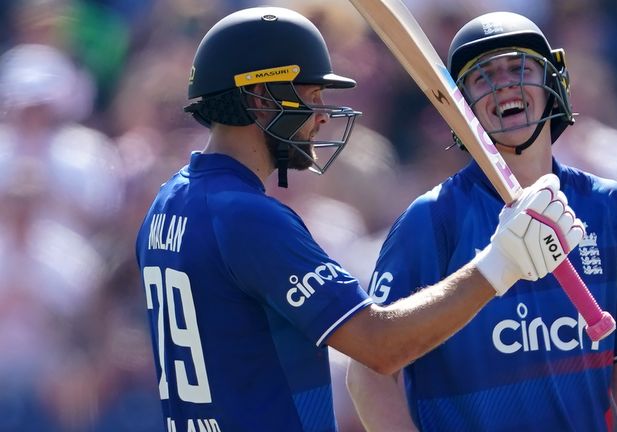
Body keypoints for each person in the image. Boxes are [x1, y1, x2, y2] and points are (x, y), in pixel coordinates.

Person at [134, 7, 585, 432]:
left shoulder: (168, 202)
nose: (322, 117)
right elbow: (378, 346)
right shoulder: (248, 217)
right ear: (260, 97)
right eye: (311, 97)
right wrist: (498, 264)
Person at [347, 11, 617, 432]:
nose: (504, 83)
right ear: (459, 108)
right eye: (483, 77)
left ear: (553, 84)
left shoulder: (610, 207)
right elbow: (369, 372)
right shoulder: (430, 219)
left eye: (518, 66)